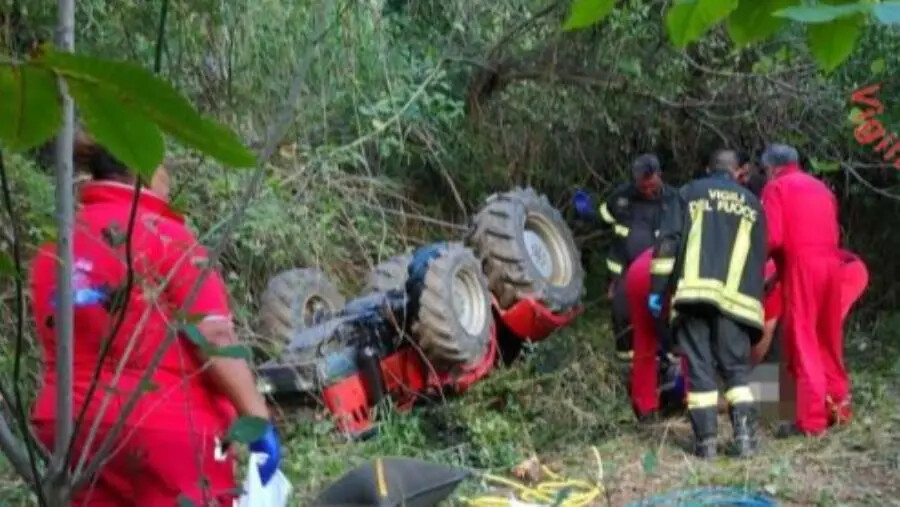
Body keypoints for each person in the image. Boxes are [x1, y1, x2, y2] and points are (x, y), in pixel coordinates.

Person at [29, 139, 280, 505]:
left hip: (69, 428)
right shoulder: (167, 238)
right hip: (166, 433)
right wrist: (258, 422)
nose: (169, 180)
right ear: (146, 168)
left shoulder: (56, 247)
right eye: (166, 169)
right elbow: (213, 338)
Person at [648, 149, 766, 458]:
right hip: (736, 301)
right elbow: (759, 257)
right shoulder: (753, 204)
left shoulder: (688, 193)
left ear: (707, 168)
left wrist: (658, 290)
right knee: (737, 370)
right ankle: (743, 439)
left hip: (693, 297)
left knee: (699, 368)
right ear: (737, 172)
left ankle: (707, 444)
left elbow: (668, 243)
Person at [759, 143, 846, 438]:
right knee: (828, 336)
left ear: (772, 168)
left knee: (802, 337)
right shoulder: (821, 188)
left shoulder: (776, 188)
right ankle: (838, 408)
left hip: (802, 267)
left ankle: (810, 421)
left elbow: (772, 237)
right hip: (833, 264)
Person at [573, 154, 679, 363]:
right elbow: (603, 218)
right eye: (641, 185)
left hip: (661, 276)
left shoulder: (674, 201)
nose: (645, 189)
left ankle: (666, 361)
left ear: (659, 175)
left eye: (649, 184)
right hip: (625, 273)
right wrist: (586, 212)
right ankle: (626, 363)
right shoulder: (622, 198)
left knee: (662, 320)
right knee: (622, 316)